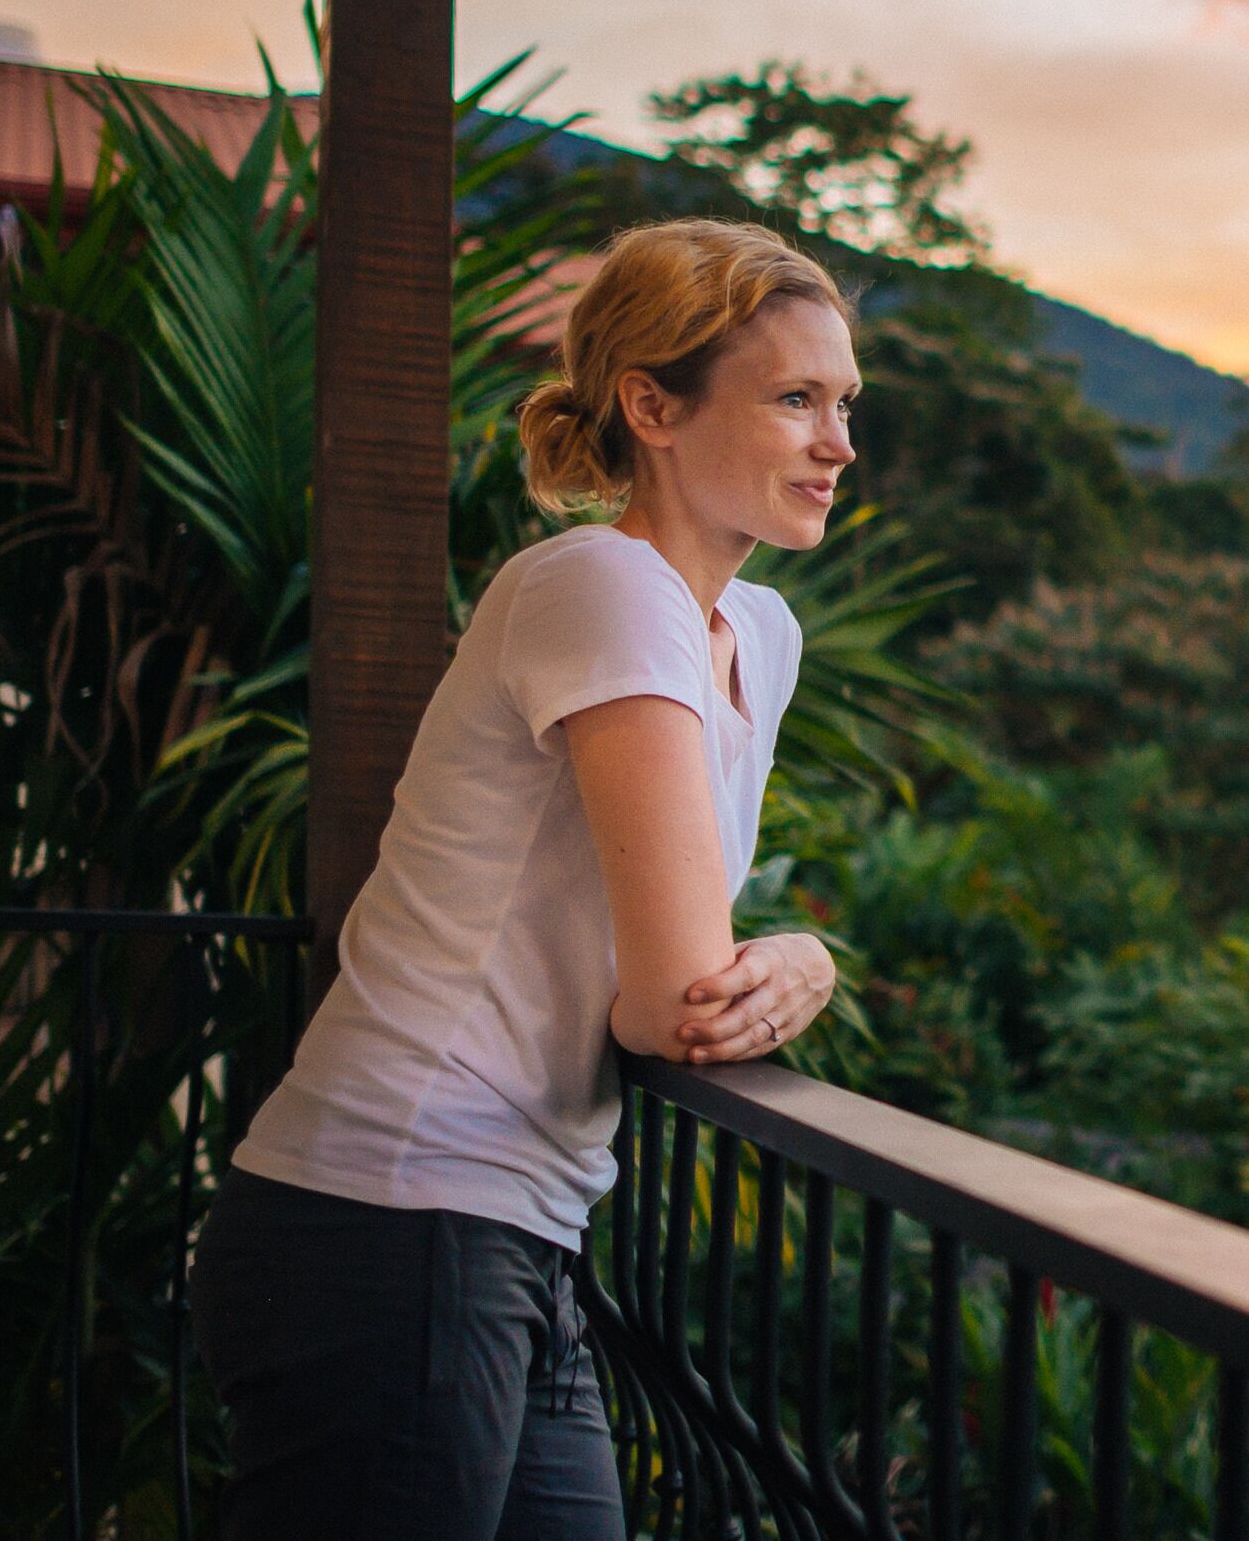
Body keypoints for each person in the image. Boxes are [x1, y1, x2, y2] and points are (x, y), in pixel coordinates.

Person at [190, 218, 856, 1539]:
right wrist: (805, 962)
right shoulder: (600, 583)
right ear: (651, 406)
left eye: (844, 404)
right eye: (795, 400)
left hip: (515, 1233)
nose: (839, 444)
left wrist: (797, 962)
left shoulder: (755, 636)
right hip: (391, 1223)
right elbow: (676, 1002)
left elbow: (672, 987)